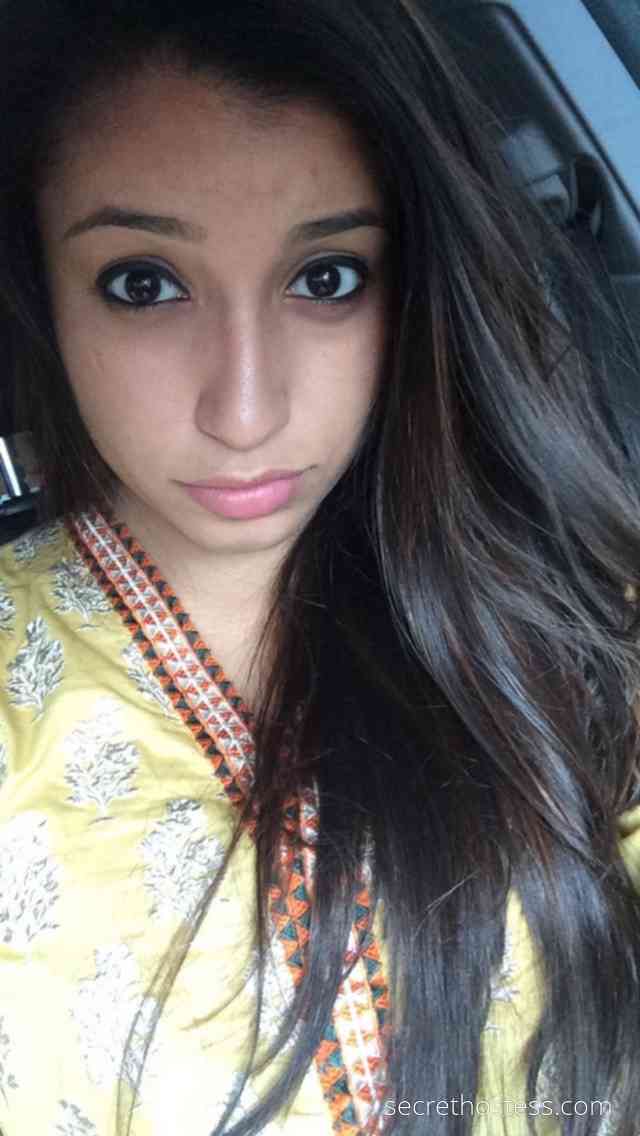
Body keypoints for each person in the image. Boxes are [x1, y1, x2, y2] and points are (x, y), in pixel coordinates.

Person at [0, 1, 638, 1133]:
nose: (245, 412)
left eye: (329, 277)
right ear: (42, 297)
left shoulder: (563, 604)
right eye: (144, 283)